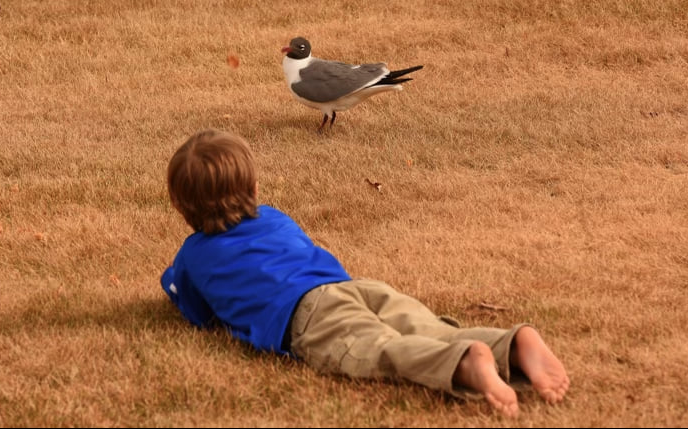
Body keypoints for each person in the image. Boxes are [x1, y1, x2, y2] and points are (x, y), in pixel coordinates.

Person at [161, 128, 569, 418]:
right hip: (352, 287)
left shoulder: (194, 256)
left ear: (183, 209)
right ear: (253, 190)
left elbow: (194, 309)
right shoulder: (274, 217)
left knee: (380, 349)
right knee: (421, 325)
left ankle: (464, 363)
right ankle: (511, 345)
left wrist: (175, 282)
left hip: (307, 316)